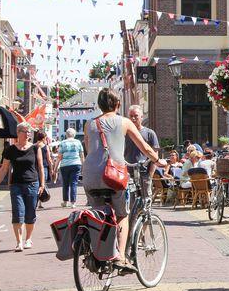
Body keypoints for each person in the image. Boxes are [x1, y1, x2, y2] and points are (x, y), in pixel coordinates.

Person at [83, 88, 165, 272]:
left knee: (97, 214)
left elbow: (89, 149)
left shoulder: (89, 124)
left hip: (89, 175)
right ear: (118, 105)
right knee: (122, 215)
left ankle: (95, 253)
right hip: (114, 175)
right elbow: (145, 148)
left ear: (99, 105)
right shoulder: (125, 122)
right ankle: (120, 257)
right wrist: (158, 161)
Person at [0, 122, 45, 252]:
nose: (28, 134)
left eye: (29, 132)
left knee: (30, 213)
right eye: (25, 132)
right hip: (16, 185)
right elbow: (4, 168)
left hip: (32, 184)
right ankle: (19, 242)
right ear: (18, 133)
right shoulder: (10, 150)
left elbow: (41, 167)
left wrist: (42, 184)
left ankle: (28, 239)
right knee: (17, 213)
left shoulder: (35, 148)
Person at [57, 128, 84, 208]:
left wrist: (55, 167)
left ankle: (65, 202)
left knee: (65, 184)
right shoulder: (78, 142)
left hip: (65, 165)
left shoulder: (62, 143)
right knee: (74, 183)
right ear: (74, 135)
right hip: (76, 164)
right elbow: (81, 155)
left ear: (66, 135)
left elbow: (59, 156)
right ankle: (73, 202)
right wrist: (83, 165)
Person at [33, 130, 52, 209]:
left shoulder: (33, 146)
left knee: (35, 185)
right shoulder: (45, 146)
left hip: (34, 168)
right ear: (44, 138)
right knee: (42, 185)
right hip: (43, 167)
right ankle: (40, 203)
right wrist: (51, 169)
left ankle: (35, 202)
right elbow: (49, 159)